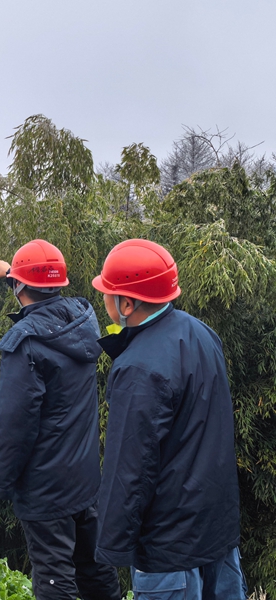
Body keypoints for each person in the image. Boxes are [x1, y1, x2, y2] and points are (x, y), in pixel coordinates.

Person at [91, 239, 246, 600]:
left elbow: (129, 468)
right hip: (218, 536)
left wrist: (112, 545)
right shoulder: (202, 334)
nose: (104, 299)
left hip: (169, 552)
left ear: (126, 303)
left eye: (108, 293)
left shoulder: (138, 367)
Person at [0, 239, 121, 600]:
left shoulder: (25, 343)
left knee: (53, 576)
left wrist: (1, 481)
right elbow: (39, 292)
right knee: (94, 568)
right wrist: (10, 272)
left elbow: (14, 424)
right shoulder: (82, 321)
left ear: (20, 287)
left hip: (46, 487)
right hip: (85, 475)